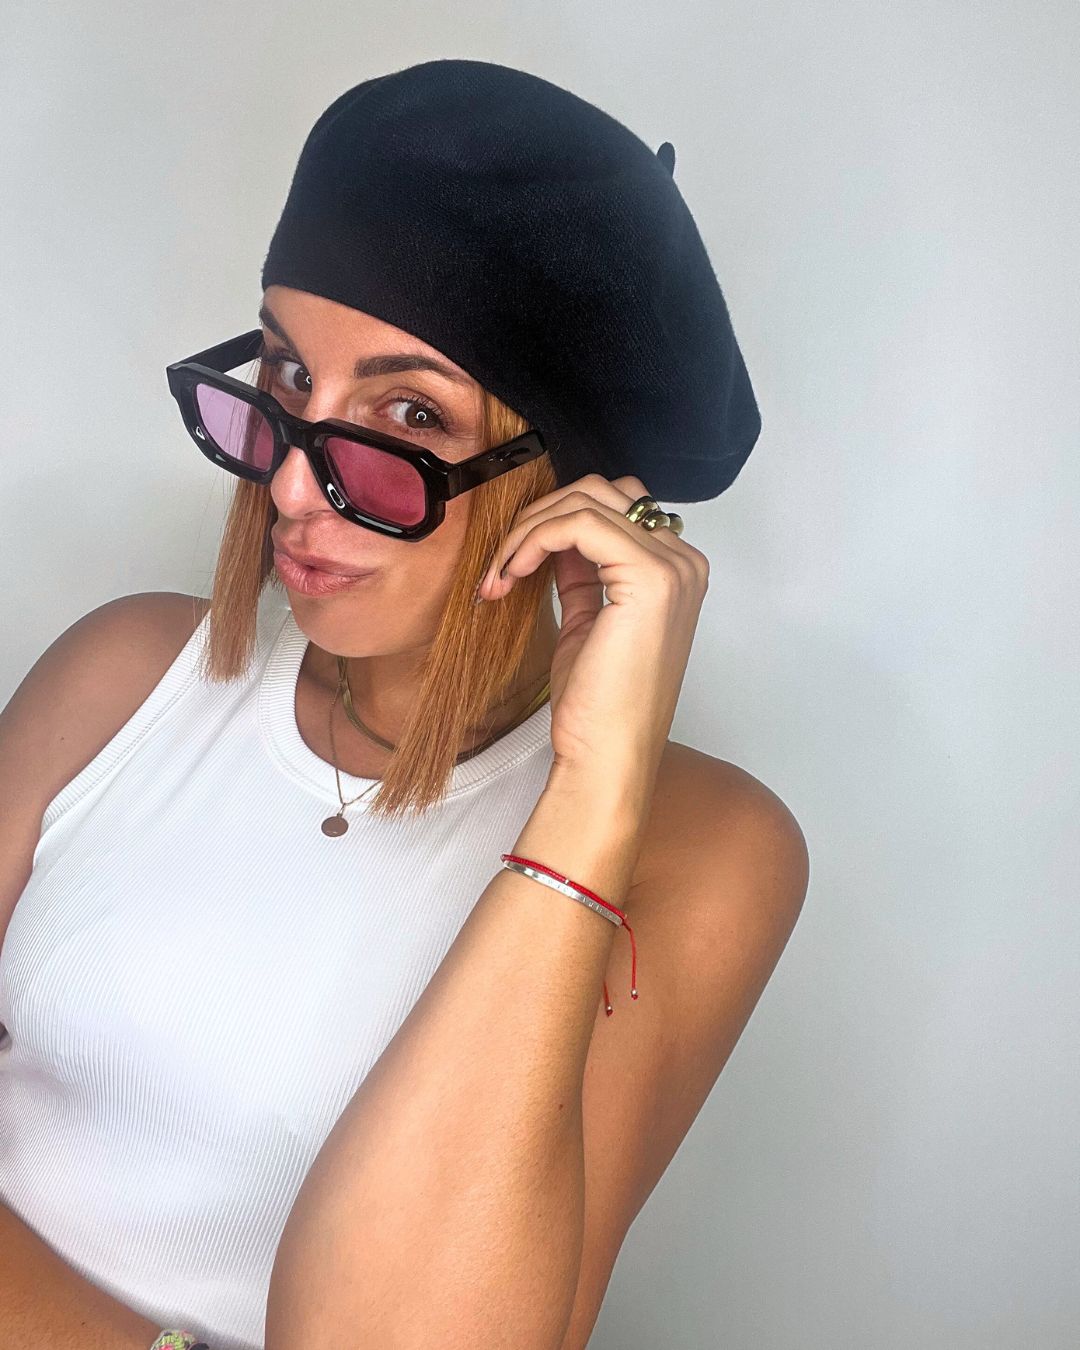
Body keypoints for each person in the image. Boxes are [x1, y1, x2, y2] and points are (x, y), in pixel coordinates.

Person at [0, 58, 809, 1350]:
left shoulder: (704, 849)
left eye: (410, 413)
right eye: (286, 378)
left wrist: (592, 798)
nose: (291, 487)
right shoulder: (127, 670)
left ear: (568, 487)